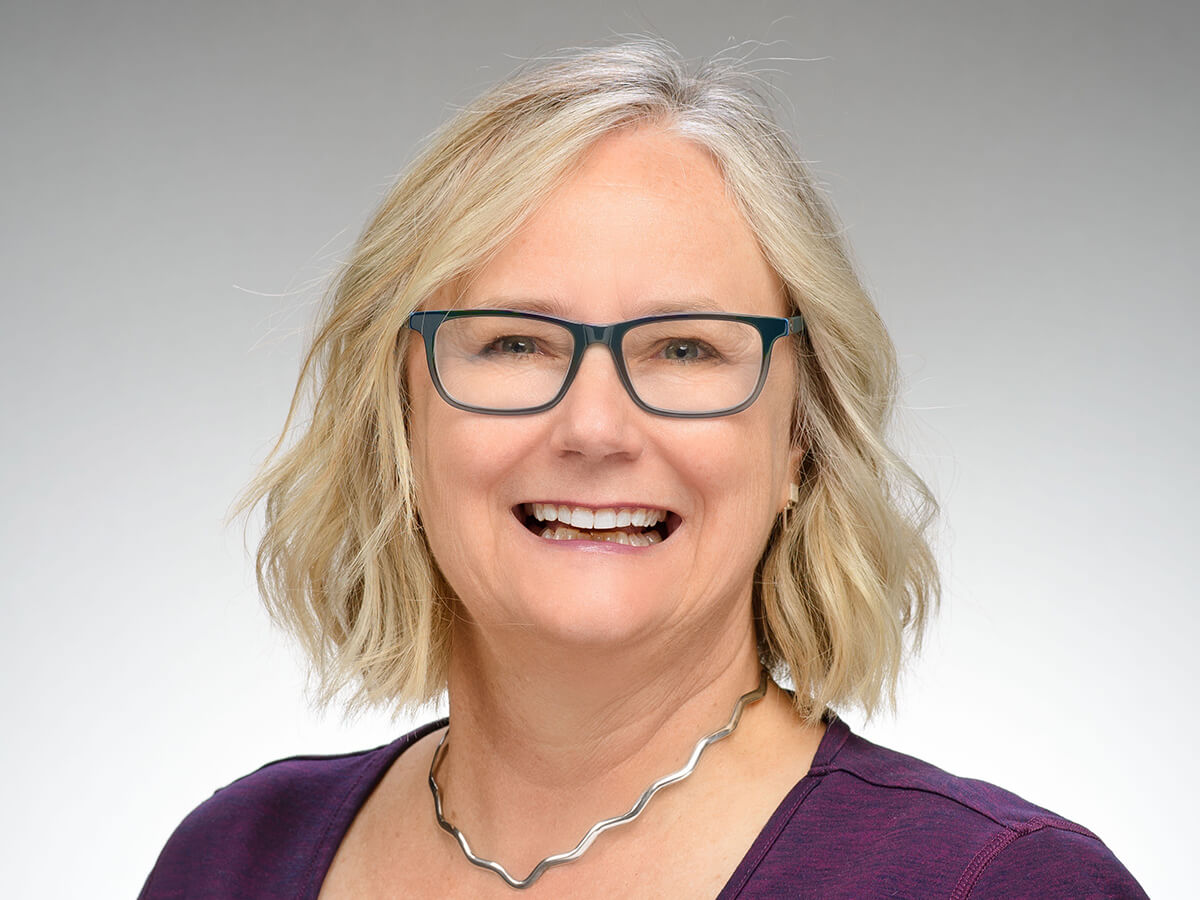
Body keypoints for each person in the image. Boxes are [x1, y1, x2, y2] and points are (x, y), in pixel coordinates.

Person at [139, 39, 1146, 898]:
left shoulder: (995, 885)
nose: (594, 425)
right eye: (514, 343)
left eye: (686, 349)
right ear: (401, 420)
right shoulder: (232, 863)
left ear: (799, 436)